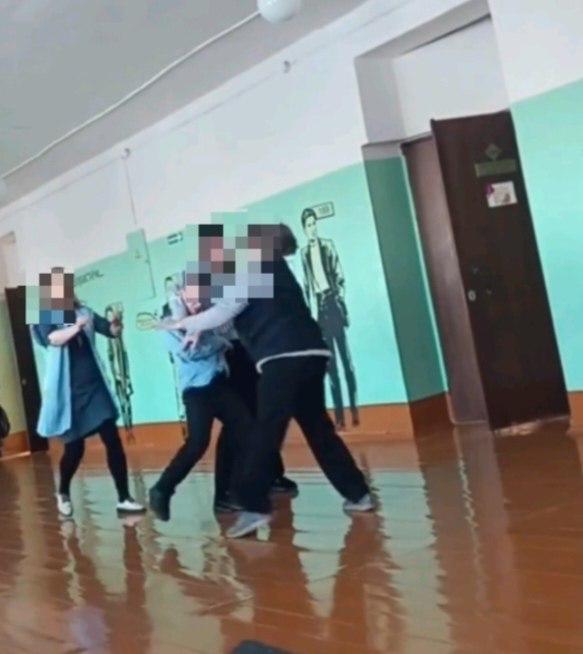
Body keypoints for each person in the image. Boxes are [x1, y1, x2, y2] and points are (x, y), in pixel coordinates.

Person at [162, 224, 372, 539]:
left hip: (282, 358)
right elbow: (232, 318)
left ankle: (253, 504)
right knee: (318, 428)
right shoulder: (279, 271)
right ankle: (358, 493)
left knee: (266, 427)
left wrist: (182, 323)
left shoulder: (253, 268)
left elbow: (225, 311)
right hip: (313, 353)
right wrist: (199, 324)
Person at [31, 270, 144, 518]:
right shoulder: (47, 316)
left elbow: (109, 330)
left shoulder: (84, 311)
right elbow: (53, 339)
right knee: (75, 449)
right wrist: (76, 327)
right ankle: (63, 491)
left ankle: (124, 497)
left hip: (95, 386)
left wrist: (116, 325)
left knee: (112, 439)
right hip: (69, 393)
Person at [148, 288, 255, 521]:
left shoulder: (204, 316)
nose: (196, 304)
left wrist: (207, 330)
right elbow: (189, 352)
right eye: (190, 299)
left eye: (199, 299)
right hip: (197, 391)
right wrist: (220, 342)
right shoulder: (169, 322)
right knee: (197, 444)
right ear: (179, 296)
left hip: (219, 383)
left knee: (245, 429)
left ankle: (228, 495)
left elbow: (224, 328)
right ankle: (162, 489)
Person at [300, 208, 359, 429]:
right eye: (308, 225)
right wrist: (310, 315)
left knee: (346, 360)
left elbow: (339, 276)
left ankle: (354, 410)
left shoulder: (328, 245)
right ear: (304, 229)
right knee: (331, 365)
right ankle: (340, 417)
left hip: (333, 303)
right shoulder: (303, 253)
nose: (312, 228)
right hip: (319, 310)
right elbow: (306, 286)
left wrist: (338, 296)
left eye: (314, 223)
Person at [104, 304, 134, 441]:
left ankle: (130, 429)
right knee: (122, 402)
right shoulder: (109, 344)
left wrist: (127, 378)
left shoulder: (121, 343)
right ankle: (127, 429)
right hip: (115, 376)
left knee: (127, 401)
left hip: (123, 374)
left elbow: (125, 359)